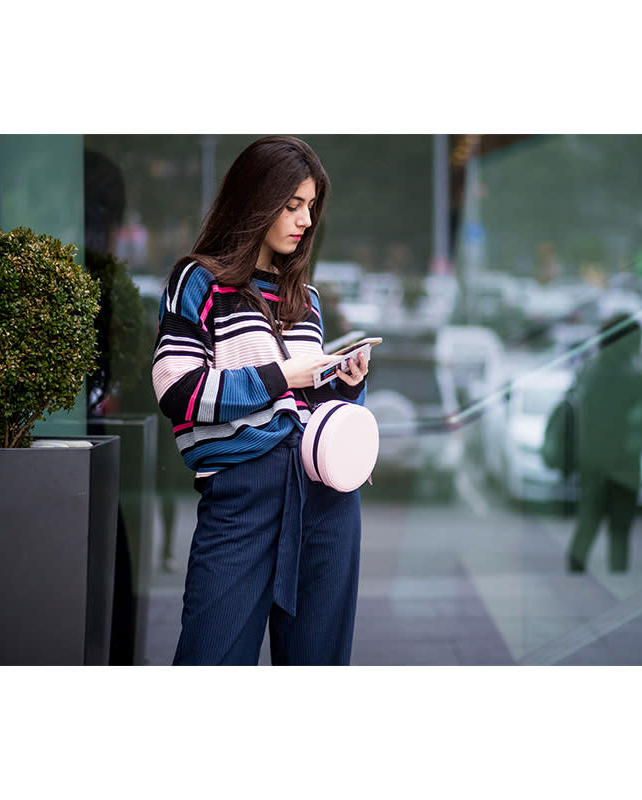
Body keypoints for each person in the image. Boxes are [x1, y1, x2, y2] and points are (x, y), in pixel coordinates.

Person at [152, 136, 369, 665]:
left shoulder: (306, 298)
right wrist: (279, 376)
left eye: (311, 207)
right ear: (256, 201)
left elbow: (305, 399)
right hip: (242, 492)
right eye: (292, 205)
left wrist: (345, 382)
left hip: (325, 492)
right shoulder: (199, 280)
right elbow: (176, 389)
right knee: (212, 658)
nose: (305, 219)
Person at [567, 313, 642, 573]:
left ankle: (575, 576)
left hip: (593, 460)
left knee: (588, 522)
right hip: (624, 463)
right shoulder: (633, 375)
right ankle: (616, 576)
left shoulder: (590, 369)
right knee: (620, 530)